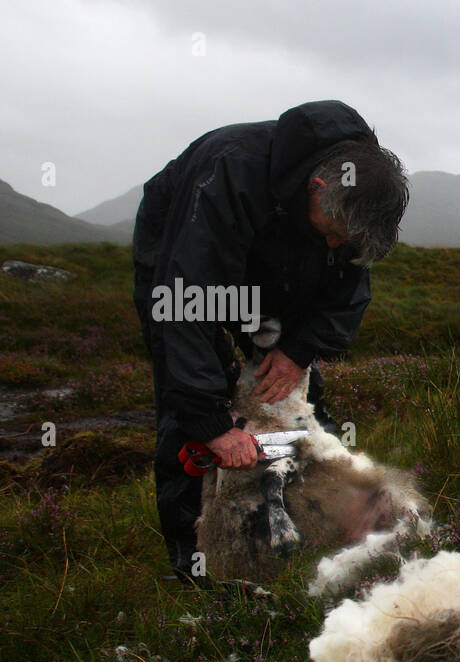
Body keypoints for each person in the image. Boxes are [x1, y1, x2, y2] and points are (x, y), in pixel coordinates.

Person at [131, 100, 409, 584]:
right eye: (335, 236)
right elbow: (181, 307)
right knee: (192, 417)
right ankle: (199, 567)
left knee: (296, 399)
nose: (336, 248)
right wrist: (210, 424)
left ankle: (316, 521)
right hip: (185, 265)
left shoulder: (354, 198)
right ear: (316, 189)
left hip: (283, 261)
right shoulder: (227, 173)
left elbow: (348, 286)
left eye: (345, 244)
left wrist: (298, 351)